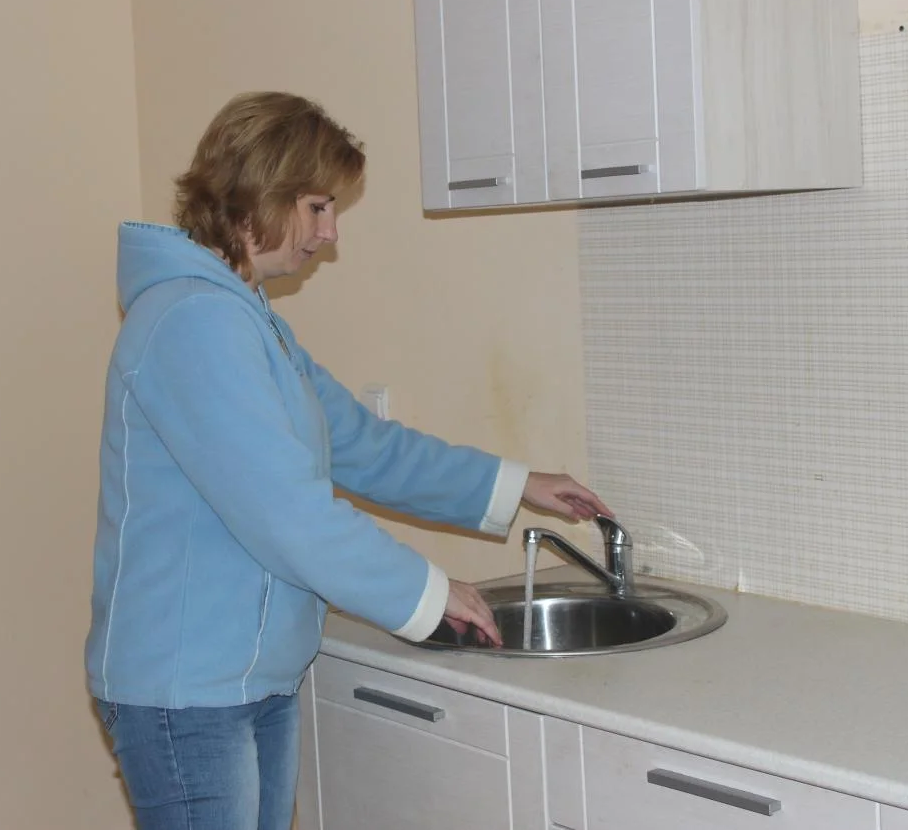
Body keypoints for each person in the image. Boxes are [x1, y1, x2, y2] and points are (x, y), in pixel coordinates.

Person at [85, 91, 611, 830]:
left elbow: (363, 446)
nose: (330, 233)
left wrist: (519, 484)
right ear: (261, 194)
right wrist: (427, 592)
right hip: (189, 690)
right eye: (318, 207)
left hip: (245, 677)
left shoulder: (246, 317)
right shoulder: (193, 322)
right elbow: (287, 513)